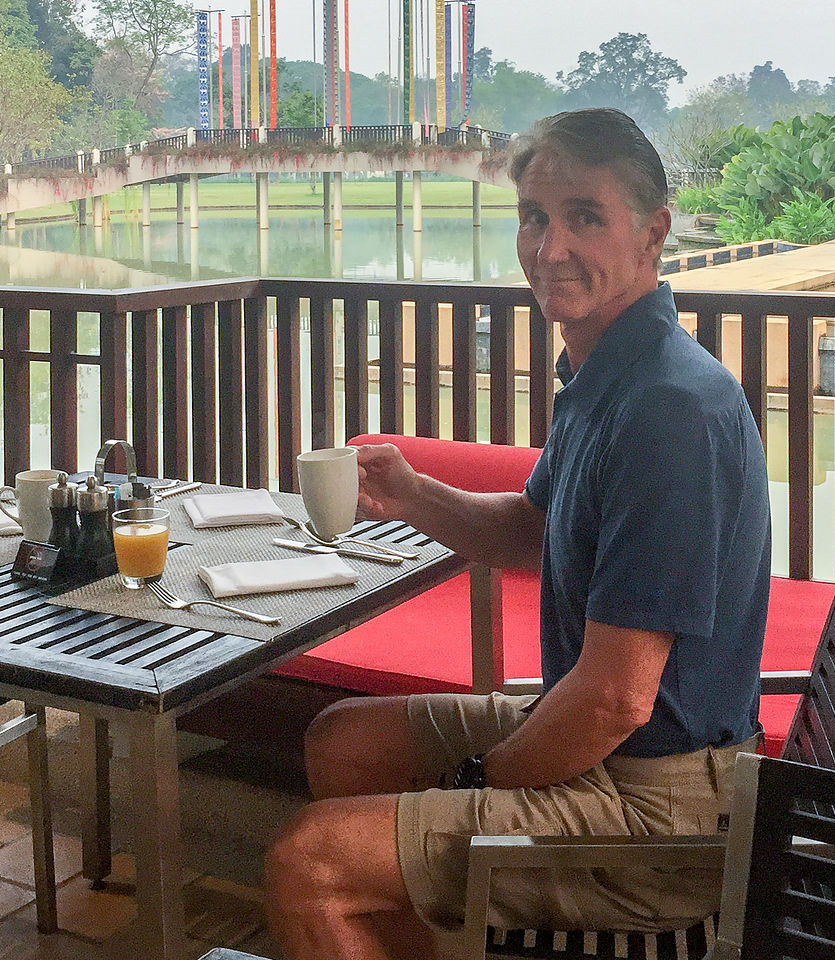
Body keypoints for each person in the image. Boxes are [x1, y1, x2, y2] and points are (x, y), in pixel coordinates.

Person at [263, 107, 773, 960]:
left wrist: (480, 783)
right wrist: (412, 491)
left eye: (584, 216)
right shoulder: (608, 371)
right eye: (535, 217)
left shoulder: (668, 412)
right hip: (614, 749)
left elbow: (616, 699)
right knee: (343, 743)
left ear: (653, 232)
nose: (550, 246)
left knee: (305, 862)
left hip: (660, 810)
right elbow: (531, 532)